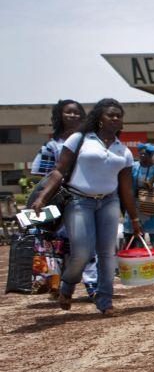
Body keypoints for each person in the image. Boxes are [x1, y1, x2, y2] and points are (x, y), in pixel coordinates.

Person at [31, 98, 142, 315]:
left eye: (119, 115)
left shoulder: (124, 151)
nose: (115, 118)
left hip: (109, 201)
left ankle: (105, 300)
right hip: (79, 201)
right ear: (100, 118)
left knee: (107, 253)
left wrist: (135, 219)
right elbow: (58, 171)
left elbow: (126, 190)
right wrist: (42, 198)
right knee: (82, 252)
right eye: (111, 114)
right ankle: (68, 285)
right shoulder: (80, 139)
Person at [30, 99, 99, 300]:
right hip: (59, 201)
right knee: (58, 245)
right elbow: (41, 176)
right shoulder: (52, 145)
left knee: (87, 244)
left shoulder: (91, 142)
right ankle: (55, 285)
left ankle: (93, 286)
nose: (73, 116)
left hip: (85, 199)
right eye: (68, 112)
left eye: (77, 112)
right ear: (59, 116)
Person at [123, 143, 154, 246]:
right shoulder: (134, 166)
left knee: (153, 231)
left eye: (145, 154)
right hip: (136, 201)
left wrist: (153, 185)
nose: (142, 156)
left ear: (150, 156)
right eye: (141, 154)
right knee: (137, 230)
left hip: (150, 201)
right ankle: (141, 252)